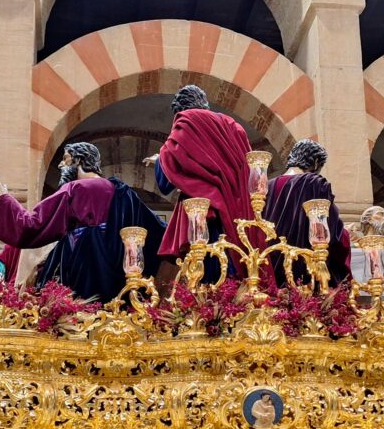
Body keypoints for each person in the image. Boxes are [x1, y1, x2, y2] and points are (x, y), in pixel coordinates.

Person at [0, 142, 166, 302]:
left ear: (79, 160)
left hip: (79, 262)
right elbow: (157, 228)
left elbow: (33, 224)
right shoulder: (123, 191)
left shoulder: (73, 189)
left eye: (66, 159)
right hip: (118, 268)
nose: (61, 164)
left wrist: (5, 199)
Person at [146, 85, 258, 275]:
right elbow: (249, 165)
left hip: (200, 213)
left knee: (203, 269)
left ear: (180, 109)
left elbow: (165, 184)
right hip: (236, 208)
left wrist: (159, 160)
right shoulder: (233, 125)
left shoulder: (186, 122)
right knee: (239, 260)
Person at [262, 140, 351, 287]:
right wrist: (345, 233)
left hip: (270, 259)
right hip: (304, 263)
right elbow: (329, 228)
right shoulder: (314, 183)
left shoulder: (265, 186)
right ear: (316, 162)